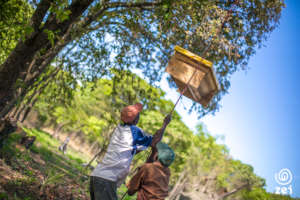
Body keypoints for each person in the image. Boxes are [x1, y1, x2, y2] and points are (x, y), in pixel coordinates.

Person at [90, 103, 171, 200]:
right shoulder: (134, 131)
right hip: (106, 180)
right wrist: (165, 124)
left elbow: (129, 149)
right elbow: (155, 141)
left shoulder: (119, 129)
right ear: (135, 119)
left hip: (96, 176)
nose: (139, 117)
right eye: (138, 115)